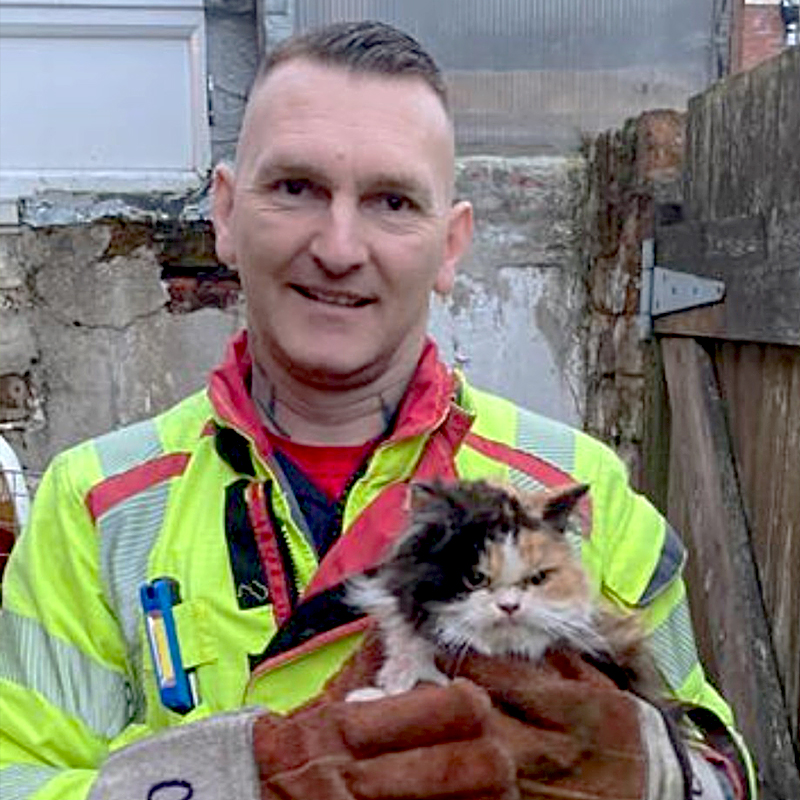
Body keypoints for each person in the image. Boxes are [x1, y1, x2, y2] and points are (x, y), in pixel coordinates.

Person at [0, 21, 753, 800]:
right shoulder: (96, 505)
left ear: (451, 245)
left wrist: (655, 768)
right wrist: (239, 780)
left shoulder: (578, 493)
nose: (338, 245)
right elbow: (15, 773)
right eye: (296, 188)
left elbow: (726, 770)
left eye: (392, 201)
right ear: (224, 213)